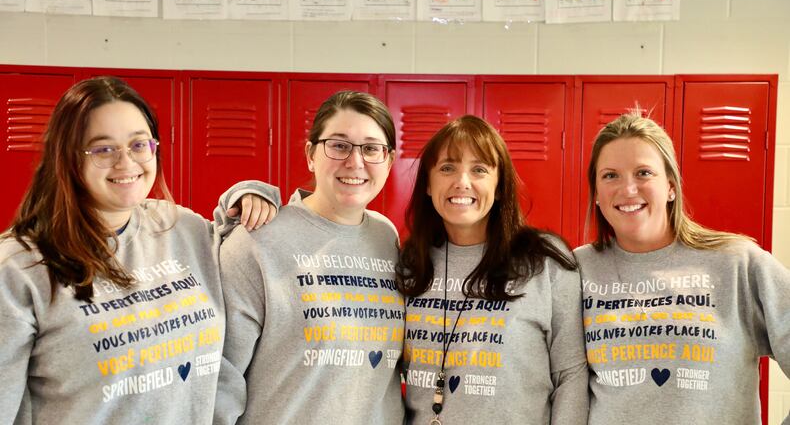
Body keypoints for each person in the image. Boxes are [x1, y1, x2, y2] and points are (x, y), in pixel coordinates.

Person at [0, 76, 280, 424]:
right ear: (70, 158)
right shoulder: (19, 269)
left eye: (138, 145)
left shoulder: (181, 227)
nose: (126, 163)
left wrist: (251, 193)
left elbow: (240, 242)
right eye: (103, 149)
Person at [576, 113, 790, 424]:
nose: (628, 189)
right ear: (596, 193)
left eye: (643, 173)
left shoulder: (738, 263)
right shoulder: (576, 269)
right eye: (610, 176)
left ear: (671, 187)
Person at [216, 90, 404, 425]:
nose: (355, 162)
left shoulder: (385, 236)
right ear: (310, 154)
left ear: (388, 161)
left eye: (371, 148)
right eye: (339, 145)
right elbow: (221, 377)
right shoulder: (258, 239)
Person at [397, 115, 589, 424]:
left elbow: (570, 374)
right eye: (447, 168)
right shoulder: (411, 263)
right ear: (428, 186)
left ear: (499, 187)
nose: (462, 181)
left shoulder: (544, 261)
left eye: (479, 169)